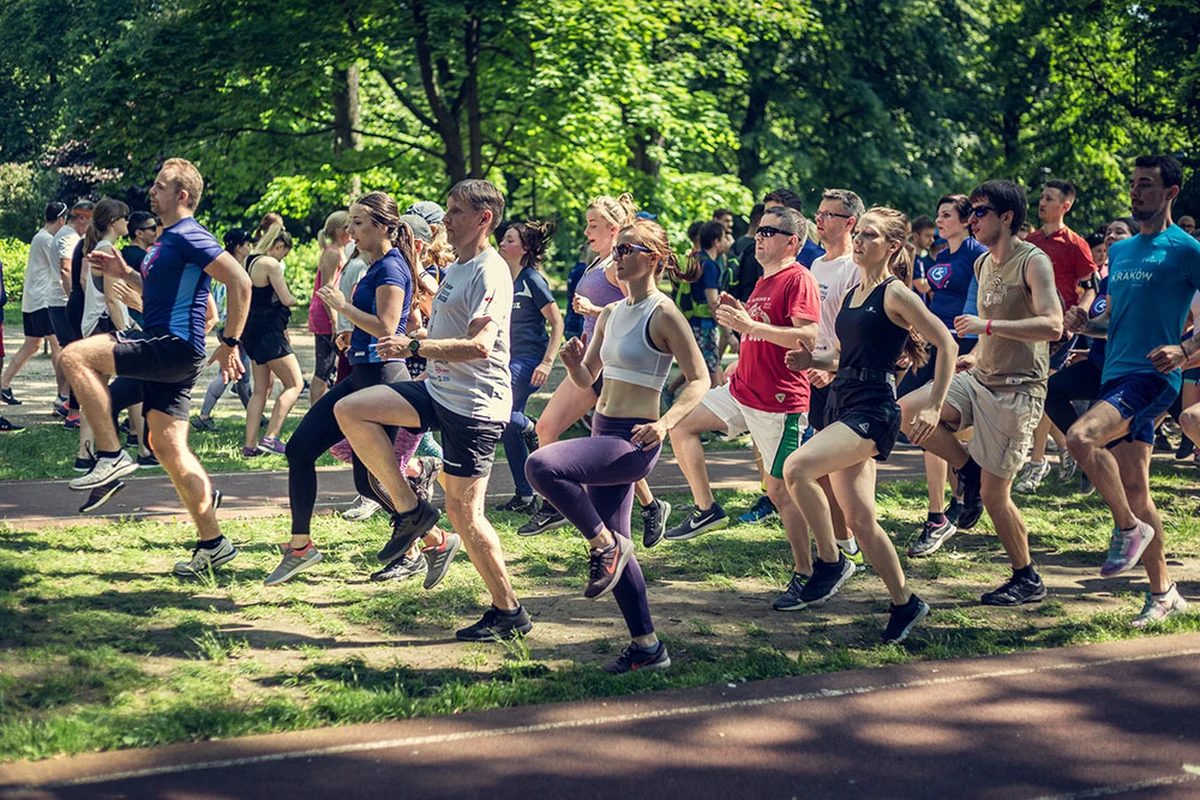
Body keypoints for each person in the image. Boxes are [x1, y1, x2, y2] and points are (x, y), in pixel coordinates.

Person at [333, 179, 531, 642]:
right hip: (438, 391)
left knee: (466, 516)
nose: (447, 219)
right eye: (447, 209)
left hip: (474, 408)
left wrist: (416, 343)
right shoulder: (459, 266)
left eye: (456, 211)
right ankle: (411, 511)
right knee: (352, 410)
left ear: (484, 219)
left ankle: (509, 612)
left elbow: (481, 346)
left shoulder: (489, 271)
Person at [526, 218, 709, 672]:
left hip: (634, 439)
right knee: (621, 542)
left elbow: (700, 378)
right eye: (617, 248)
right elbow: (588, 379)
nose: (617, 255)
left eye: (627, 249)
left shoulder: (663, 313)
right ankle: (648, 647)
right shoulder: (609, 313)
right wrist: (571, 363)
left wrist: (666, 423)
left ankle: (603, 544)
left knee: (541, 466)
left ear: (653, 258)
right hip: (602, 428)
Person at [64, 158, 251, 576]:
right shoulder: (166, 241)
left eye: (160, 186)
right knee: (167, 446)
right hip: (170, 345)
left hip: (172, 346)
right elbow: (162, 293)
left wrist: (231, 342)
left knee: (73, 356)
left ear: (181, 195)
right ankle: (213, 543)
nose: (152, 191)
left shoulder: (190, 235)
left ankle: (111, 455)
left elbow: (239, 282)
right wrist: (125, 272)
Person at [783, 207, 954, 640]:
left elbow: (946, 343)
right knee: (861, 520)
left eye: (870, 236)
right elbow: (844, 357)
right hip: (843, 400)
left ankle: (830, 562)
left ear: (892, 246)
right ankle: (906, 602)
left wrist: (934, 404)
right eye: (857, 233)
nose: (858, 241)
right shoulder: (854, 292)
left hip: (873, 409)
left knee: (796, 469)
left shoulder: (896, 294)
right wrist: (812, 360)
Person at [898, 180, 1062, 606]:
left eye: (980, 212)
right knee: (907, 411)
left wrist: (986, 329)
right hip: (980, 376)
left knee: (994, 497)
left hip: (1017, 390)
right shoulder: (983, 263)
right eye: (969, 211)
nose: (972, 219)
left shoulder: (1034, 262)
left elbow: (1053, 325)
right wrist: (978, 353)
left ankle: (1026, 577)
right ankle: (965, 470)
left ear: (1006, 217)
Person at [664, 206, 824, 608]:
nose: (759, 237)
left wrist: (751, 327)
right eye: (759, 230)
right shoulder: (764, 279)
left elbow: (806, 336)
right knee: (680, 422)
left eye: (770, 232)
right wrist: (741, 331)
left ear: (793, 242)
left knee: (779, 491)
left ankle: (809, 571)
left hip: (779, 403)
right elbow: (761, 334)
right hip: (741, 391)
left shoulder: (798, 278)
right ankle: (706, 509)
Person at [1065, 155, 1199, 627]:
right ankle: (1163, 592)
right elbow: (1117, 321)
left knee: (1080, 438)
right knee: (1138, 490)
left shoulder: (1186, 250)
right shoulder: (1119, 254)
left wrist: (1184, 350)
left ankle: (1127, 529)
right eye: (1133, 184)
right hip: (1114, 375)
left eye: (1146, 184)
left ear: (1170, 193)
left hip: (1152, 377)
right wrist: (1086, 323)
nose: (1135, 192)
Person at [272, 191, 427, 587]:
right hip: (360, 374)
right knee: (300, 448)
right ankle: (301, 546)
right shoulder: (377, 264)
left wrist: (342, 308)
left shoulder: (391, 267)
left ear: (383, 227)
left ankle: (429, 544)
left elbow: (388, 327)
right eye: (351, 222)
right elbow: (377, 326)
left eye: (359, 223)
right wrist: (351, 338)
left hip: (383, 381)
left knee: (371, 480)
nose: (351, 230)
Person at [519, 194, 670, 543]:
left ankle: (560, 506)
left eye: (593, 224)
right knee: (557, 429)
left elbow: (637, 305)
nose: (586, 230)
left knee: (598, 440)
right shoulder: (598, 262)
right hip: (590, 360)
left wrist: (591, 309)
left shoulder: (616, 266)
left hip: (610, 364)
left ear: (613, 229)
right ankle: (649, 507)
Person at [901, 194, 988, 556]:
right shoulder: (941, 256)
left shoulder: (977, 255)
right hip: (936, 346)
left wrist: (976, 350)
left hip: (964, 350)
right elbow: (937, 304)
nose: (939, 220)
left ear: (968, 220)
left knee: (930, 422)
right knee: (908, 416)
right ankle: (954, 500)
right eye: (938, 214)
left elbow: (985, 303)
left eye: (947, 215)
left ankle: (949, 507)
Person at [1043, 217, 1138, 495]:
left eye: (1119, 231)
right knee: (1052, 390)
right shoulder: (1107, 280)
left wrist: (1084, 326)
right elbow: (1104, 324)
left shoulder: (1136, 279)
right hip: (1097, 363)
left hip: (1126, 370)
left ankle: (1095, 456)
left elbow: (1117, 325)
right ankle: (1087, 452)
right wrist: (1084, 339)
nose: (1110, 236)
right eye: (1108, 232)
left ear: (1135, 237)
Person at [1016, 180, 1098, 494]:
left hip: (1058, 330)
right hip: (1028, 325)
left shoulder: (1076, 244)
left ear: (1066, 205)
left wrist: (1079, 315)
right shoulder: (1032, 240)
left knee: (1041, 391)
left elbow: (1092, 286)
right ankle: (1065, 448)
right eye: (1041, 197)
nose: (1042, 202)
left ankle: (1037, 463)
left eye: (1049, 198)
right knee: (1035, 394)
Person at [493, 221, 564, 514]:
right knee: (508, 426)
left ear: (524, 249)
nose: (502, 244)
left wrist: (547, 362)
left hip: (529, 361)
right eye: (503, 239)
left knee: (502, 415)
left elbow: (557, 323)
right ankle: (524, 495)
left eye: (509, 240)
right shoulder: (499, 279)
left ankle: (530, 426)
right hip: (505, 360)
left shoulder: (532, 279)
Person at [240, 223, 303, 458]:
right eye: (284, 252)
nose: (283, 257)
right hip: (270, 330)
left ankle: (250, 444)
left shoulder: (248, 261)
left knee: (260, 390)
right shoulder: (271, 264)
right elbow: (286, 299)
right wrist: (303, 300)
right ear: (279, 246)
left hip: (251, 328)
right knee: (294, 383)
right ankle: (271, 437)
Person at [1, 203, 70, 406]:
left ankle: (3, 384)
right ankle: (63, 396)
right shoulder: (48, 240)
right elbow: (62, 264)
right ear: (61, 219)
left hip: (33, 298)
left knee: (32, 344)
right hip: (43, 299)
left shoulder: (39, 237)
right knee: (57, 344)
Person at [193, 229, 255, 432]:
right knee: (229, 372)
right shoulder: (234, 269)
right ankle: (204, 415)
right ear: (239, 247)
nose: (250, 247)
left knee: (240, 372)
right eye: (248, 244)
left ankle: (255, 414)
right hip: (233, 326)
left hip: (223, 325)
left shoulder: (219, 264)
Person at [56, 200, 95, 425]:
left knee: (78, 355)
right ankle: (73, 412)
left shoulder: (80, 242)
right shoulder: (83, 242)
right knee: (81, 357)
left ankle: (70, 407)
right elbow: (78, 276)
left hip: (75, 302)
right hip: (79, 303)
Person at [309, 211, 350, 406]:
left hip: (331, 311)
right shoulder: (333, 253)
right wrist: (335, 321)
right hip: (325, 313)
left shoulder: (340, 251)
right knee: (324, 367)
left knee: (333, 365)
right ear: (341, 231)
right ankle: (315, 410)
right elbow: (327, 289)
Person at [763, 189, 825, 266]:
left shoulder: (816, 256)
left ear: (794, 216)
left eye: (776, 212)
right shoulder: (764, 251)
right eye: (767, 213)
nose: (768, 217)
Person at [910, 215, 936, 296]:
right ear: (915, 236)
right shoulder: (909, 258)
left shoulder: (919, 259)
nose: (932, 240)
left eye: (933, 236)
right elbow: (922, 287)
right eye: (928, 236)